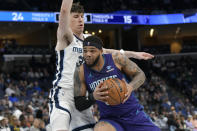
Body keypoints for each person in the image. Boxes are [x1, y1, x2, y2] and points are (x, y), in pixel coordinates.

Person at [48, 0, 154, 131]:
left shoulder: (88, 40)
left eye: (82, 16)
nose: (80, 20)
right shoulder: (66, 36)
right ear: (67, 20)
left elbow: (108, 52)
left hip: (83, 97)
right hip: (64, 95)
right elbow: (64, 10)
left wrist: (134, 54)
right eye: (75, 17)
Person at [74, 35, 160, 131]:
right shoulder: (80, 71)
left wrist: (131, 86)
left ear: (101, 51)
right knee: (100, 129)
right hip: (110, 119)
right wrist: (93, 96)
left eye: (92, 51)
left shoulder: (116, 59)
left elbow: (140, 74)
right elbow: (79, 104)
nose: (88, 54)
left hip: (134, 115)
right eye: (85, 51)